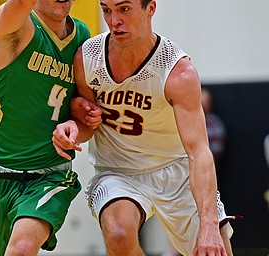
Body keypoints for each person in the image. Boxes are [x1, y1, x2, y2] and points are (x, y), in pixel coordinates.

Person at [52, 0, 240, 255]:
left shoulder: (177, 71)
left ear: (150, 8)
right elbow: (87, 127)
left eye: (124, 9)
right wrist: (73, 126)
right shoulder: (87, 58)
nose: (114, 20)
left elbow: (198, 151)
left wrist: (208, 223)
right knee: (119, 234)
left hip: (177, 171)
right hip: (118, 170)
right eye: (107, 10)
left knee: (215, 248)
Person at [0, 0, 98, 255]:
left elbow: (87, 120)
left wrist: (74, 127)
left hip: (48, 175)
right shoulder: (14, 26)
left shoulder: (83, 38)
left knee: (22, 248)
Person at [201, 87, 227, 170]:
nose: (203, 108)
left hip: (209, 164)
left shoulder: (215, 124)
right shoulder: (185, 122)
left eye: (205, 104)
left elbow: (217, 149)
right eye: (200, 104)